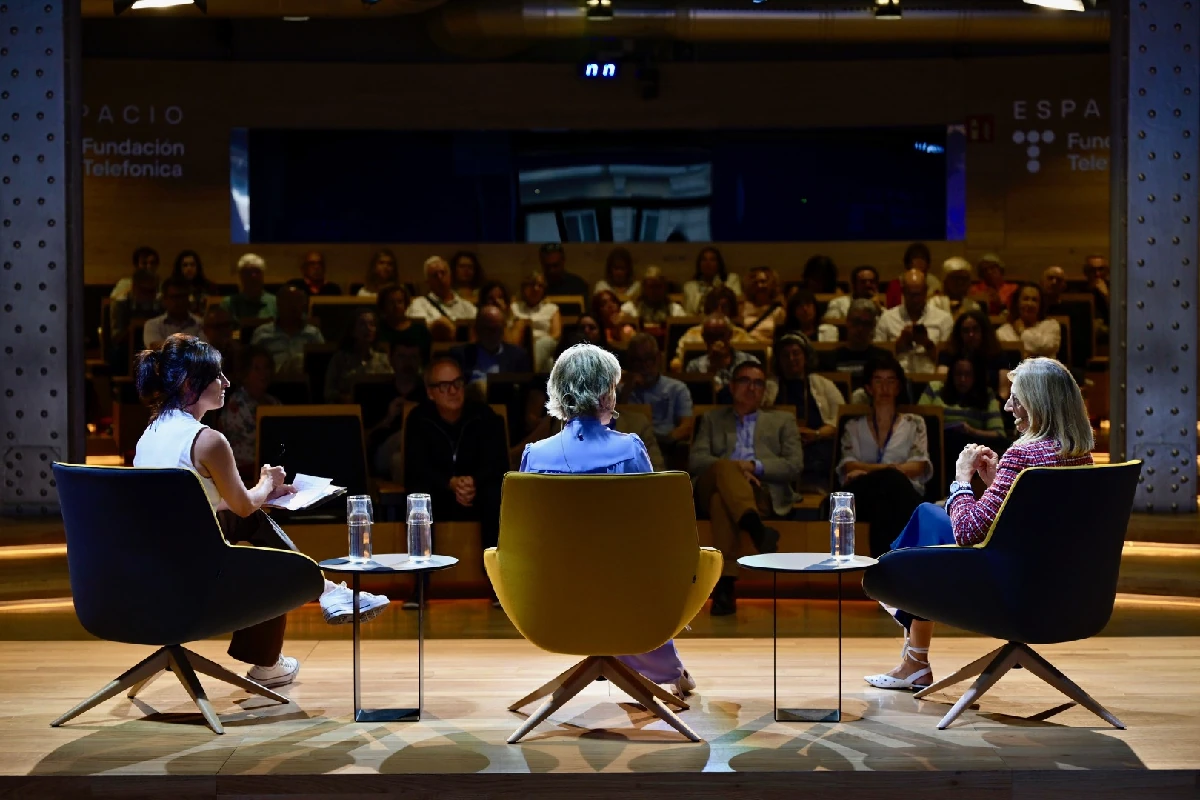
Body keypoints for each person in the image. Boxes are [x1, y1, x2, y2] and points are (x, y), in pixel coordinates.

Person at [132, 334, 388, 688]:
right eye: (217, 375)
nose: (226, 382)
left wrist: (261, 495)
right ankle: (290, 635)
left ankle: (325, 593)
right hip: (191, 582)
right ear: (190, 384)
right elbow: (242, 505)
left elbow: (201, 505)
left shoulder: (150, 434)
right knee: (274, 566)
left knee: (247, 519)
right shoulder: (207, 441)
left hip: (153, 571)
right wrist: (267, 482)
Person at [864, 357, 1093, 691]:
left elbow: (968, 531)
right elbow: (1032, 523)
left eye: (1016, 399)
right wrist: (997, 482)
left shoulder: (1023, 454)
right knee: (931, 521)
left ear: (1038, 403)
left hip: (1009, 591)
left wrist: (962, 479)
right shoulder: (1081, 457)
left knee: (928, 517)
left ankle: (896, 599)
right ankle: (914, 656)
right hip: (1063, 590)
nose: (1008, 406)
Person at [519, 343, 695, 696]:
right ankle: (660, 668)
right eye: (613, 387)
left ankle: (643, 665)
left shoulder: (534, 455)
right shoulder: (629, 448)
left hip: (549, 598)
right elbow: (652, 524)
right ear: (603, 395)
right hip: (623, 595)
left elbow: (524, 537)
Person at [689, 360, 799, 616]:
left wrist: (753, 466)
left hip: (760, 490)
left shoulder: (782, 421)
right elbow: (697, 460)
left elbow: (794, 465)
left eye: (758, 383)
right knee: (724, 471)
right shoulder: (712, 419)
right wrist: (733, 469)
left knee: (720, 500)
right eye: (745, 381)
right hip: (712, 483)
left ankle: (725, 585)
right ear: (731, 386)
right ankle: (756, 529)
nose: (752, 388)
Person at [403, 357, 508, 605]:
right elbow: (415, 467)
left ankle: (498, 585)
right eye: (443, 386)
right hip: (439, 491)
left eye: (457, 383)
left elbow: (498, 462)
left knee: (496, 493)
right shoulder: (419, 418)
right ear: (430, 392)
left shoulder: (483, 415)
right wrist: (449, 483)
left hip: (477, 491)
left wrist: (473, 481)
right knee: (418, 496)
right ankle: (420, 583)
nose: (452, 391)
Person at [836, 355, 933, 557]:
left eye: (891, 381)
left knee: (891, 488)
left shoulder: (915, 423)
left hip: (903, 494)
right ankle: (892, 562)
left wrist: (869, 471)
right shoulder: (853, 426)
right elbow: (849, 467)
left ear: (899, 388)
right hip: (863, 495)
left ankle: (879, 562)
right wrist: (892, 471)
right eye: (878, 381)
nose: (885, 388)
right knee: (891, 480)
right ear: (868, 388)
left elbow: (918, 467)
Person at [766, 333, 844, 488]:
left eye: (796, 353)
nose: (791, 359)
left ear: (806, 356)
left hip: (816, 444)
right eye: (785, 355)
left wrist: (816, 434)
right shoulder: (768, 387)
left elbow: (840, 418)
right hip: (779, 447)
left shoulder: (823, 384)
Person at [212, 345, 281, 483]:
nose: (263, 373)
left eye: (266, 367)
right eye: (257, 369)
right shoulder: (236, 404)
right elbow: (258, 440)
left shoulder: (273, 402)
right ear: (245, 374)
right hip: (242, 474)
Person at [620, 333, 693, 457]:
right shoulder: (620, 392)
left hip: (666, 447)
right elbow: (613, 426)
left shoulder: (677, 388)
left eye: (649, 359)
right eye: (637, 361)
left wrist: (661, 442)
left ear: (659, 358)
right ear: (630, 362)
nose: (644, 366)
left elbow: (687, 426)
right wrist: (627, 390)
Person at [920, 355, 1008, 458]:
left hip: (971, 448)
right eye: (958, 374)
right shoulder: (934, 388)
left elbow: (999, 434)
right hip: (936, 446)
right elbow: (917, 421)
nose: (962, 379)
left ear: (975, 376)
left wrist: (971, 431)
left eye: (968, 374)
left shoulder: (986, 395)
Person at [366, 340, 428, 480]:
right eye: (402, 357)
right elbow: (364, 439)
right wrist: (388, 419)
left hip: (421, 453)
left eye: (413, 357)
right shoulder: (377, 394)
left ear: (420, 361)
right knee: (405, 435)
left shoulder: (428, 393)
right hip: (383, 454)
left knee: (398, 459)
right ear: (391, 359)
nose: (408, 362)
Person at [875, 268, 954, 374]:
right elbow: (877, 358)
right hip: (897, 379)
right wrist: (899, 345)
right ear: (903, 291)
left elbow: (949, 361)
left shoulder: (943, 319)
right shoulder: (887, 318)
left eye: (918, 294)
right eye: (911, 295)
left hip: (932, 378)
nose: (915, 299)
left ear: (926, 290)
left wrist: (927, 344)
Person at [449, 304, 532, 390]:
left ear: (504, 329)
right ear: (477, 329)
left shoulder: (518, 356)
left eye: (497, 329)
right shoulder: (459, 355)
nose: (492, 334)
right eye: (487, 329)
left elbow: (526, 390)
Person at [250, 285, 324, 379]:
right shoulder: (262, 333)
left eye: (298, 301)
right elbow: (251, 366)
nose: (294, 306)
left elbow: (323, 363)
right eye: (289, 301)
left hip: (304, 382)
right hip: (272, 381)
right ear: (278, 304)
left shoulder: (313, 333)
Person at [936, 308, 1014, 395]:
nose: (971, 335)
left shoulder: (999, 356)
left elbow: (1003, 391)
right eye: (966, 331)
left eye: (975, 329)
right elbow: (941, 384)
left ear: (984, 332)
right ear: (959, 334)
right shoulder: (948, 354)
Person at [671, 286, 750, 371]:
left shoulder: (741, 335)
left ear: (731, 309)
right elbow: (678, 360)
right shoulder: (692, 333)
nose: (719, 310)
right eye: (715, 306)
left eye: (724, 307)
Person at [324, 308, 393, 403]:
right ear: (352, 330)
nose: (368, 328)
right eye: (362, 324)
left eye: (372, 324)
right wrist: (344, 398)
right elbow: (328, 392)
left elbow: (393, 387)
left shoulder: (384, 359)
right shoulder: (339, 359)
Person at [407, 255, 477, 342]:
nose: (440, 278)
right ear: (428, 282)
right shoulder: (418, 305)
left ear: (450, 276)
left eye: (443, 273)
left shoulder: (467, 307)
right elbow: (418, 332)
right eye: (435, 275)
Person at [828, 299, 892, 392]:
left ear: (873, 326)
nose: (860, 328)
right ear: (847, 322)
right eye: (856, 322)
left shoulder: (884, 358)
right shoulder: (830, 359)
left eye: (866, 324)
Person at [684, 314, 761, 391]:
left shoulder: (750, 362)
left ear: (730, 335)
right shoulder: (694, 367)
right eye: (711, 336)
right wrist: (712, 369)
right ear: (704, 337)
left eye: (721, 336)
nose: (717, 341)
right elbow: (696, 394)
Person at [109, 270, 162, 371]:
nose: (149, 296)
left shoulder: (160, 304)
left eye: (152, 291)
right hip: (128, 347)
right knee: (116, 353)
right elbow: (116, 338)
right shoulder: (122, 304)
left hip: (153, 345)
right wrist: (134, 327)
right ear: (134, 288)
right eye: (144, 291)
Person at [511, 272, 562, 372]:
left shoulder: (551, 308)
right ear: (524, 288)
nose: (536, 289)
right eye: (532, 284)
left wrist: (536, 344)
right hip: (520, 344)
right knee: (548, 363)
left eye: (540, 286)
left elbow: (556, 334)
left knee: (543, 343)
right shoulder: (515, 308)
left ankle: (528, 374)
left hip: (544, 343)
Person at [997, 283, 1061, 359]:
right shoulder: (1002, 332)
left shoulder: (1051, 326)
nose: (1030, 304)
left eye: (1034, 300)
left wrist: (1022, 331)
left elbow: (1045, 346)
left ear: (1040, 305)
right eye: (1025, 299)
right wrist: (1035, 354)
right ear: (1017, 303)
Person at [376, 283, 433, 364]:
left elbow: (426, 360)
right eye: (391, 302)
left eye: (400, 302)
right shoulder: (377, 329)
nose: (396, 306)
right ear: (383, 305)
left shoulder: (420, 330)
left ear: (406, 304)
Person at [621, 265, 685, 336]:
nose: (654, 291)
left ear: (664, 287)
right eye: (651, 287)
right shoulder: (630, 308)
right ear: (644, 287)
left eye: (658, 286)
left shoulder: (675, 310)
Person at [143, 276, 204, 349]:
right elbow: (155, 347)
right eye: (175, 297)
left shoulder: (200, 323)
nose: (180, 301)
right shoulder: (153, 325)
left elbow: (204, 349)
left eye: (183, 297)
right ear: (164, 299)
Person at [683, 246, 742, 316]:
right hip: (698, 319)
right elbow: (689, 311)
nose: (708, 263)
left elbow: (735, 304)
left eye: (712, 260)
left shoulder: (732, 279)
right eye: (704, 260)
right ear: (699, 264)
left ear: (719, 263)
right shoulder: (690, 286)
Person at [222, 253, 277, 322]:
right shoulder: (229, 303)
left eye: (257, 271)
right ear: (240, 276)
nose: (253, 276)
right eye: (247, 272)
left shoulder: (274, 302)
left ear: (263, 275)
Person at [477, 279, 531, 349]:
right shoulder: (477, 323)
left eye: (500, 297)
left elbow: (511, 348)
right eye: (491, 298)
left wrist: (502, 318)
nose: (496, 302)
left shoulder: (517, 323)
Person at [885, 243, 942, 308]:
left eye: (922, 258)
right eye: (915, 257)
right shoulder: (895, 285)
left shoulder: (935, 285)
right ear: (907, 263)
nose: (919, 261)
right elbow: (891, 309)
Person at [740, 266, 786, 343]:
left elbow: (780, 340)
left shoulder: (779, 311)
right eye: (755, 283)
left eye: (763, 282)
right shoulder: (742, 307)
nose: (759, 286)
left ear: (771, 284)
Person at [170, 250, 218, 315]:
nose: (189, 268)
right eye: (185, 265)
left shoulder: (209, 287)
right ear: (179, 268)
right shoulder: (173, 288)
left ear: (198, 267)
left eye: (192, 265)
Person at [971, 252, 1018, 318]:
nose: (989, 272)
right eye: (985, 270)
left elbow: (1017, 312)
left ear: (1001, 270)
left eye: (992, 268)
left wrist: (1000, 304)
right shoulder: (974, 290)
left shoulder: (1013, 289)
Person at [1083, 253, 1110, 328]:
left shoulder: (1116, 290)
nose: (1097, 274)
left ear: (1107, 271)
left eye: (1101, 269)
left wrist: (1106, 295)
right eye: (1092, 270)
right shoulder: (1079, 292)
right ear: (1086, 272)